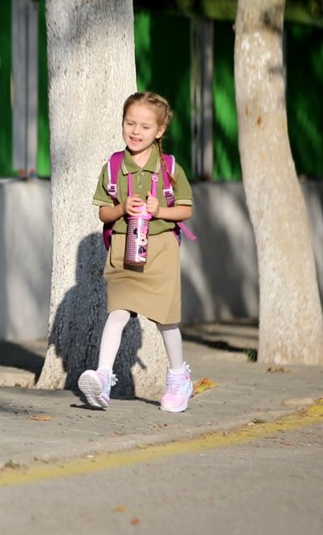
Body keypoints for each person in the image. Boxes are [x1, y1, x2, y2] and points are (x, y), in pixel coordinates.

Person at [79, 91, 195, 412]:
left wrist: (160, 210)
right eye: (130, 123)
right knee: (117, 313)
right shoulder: (114, 166)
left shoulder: (170, 168)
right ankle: (102, 379)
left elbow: (185, 210)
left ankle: (178, 378)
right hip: (122, 247)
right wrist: (119, 209)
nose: (136, 131)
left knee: (165, 320)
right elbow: (103, 213)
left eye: (145, 126)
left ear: (159, 131)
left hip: (160, 249)